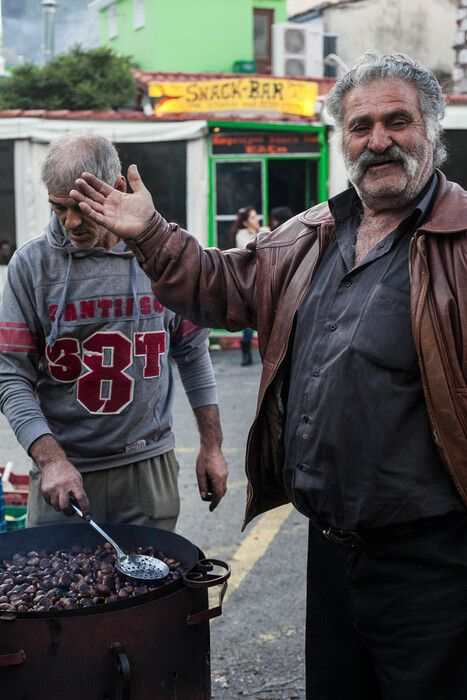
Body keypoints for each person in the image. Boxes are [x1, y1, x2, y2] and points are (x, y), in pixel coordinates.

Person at [70, 51, 466, 700]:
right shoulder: (310, 236)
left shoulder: (460, 243)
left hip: (434, 561)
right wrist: (150, 234)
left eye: (398, 121)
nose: (379, 140)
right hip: (332, 552)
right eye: (360, 126)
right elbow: (220, 285)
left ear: (431, 131)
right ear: (343, 139)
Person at [0, 132, 228, 530]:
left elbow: (192, 352)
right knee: (57, 590)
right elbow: (10, 374)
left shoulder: (166, 254)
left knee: (155, 589)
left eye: (81, 207)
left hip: (147, 465)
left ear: (118, 188)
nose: (70, 222)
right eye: (58, 208)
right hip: (63, 472)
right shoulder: (31, 265)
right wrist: (50, 459)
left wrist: (212, 446)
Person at [229, 206, 261, 366]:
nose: (257, 220)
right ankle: (246, 349)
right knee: (249, 315)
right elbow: (252, 252)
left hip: (262, 278)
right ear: (246, 222)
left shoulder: (260, 232)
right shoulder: (242, 235)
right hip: (247, 281)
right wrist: (263, 234)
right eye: (254, 217)